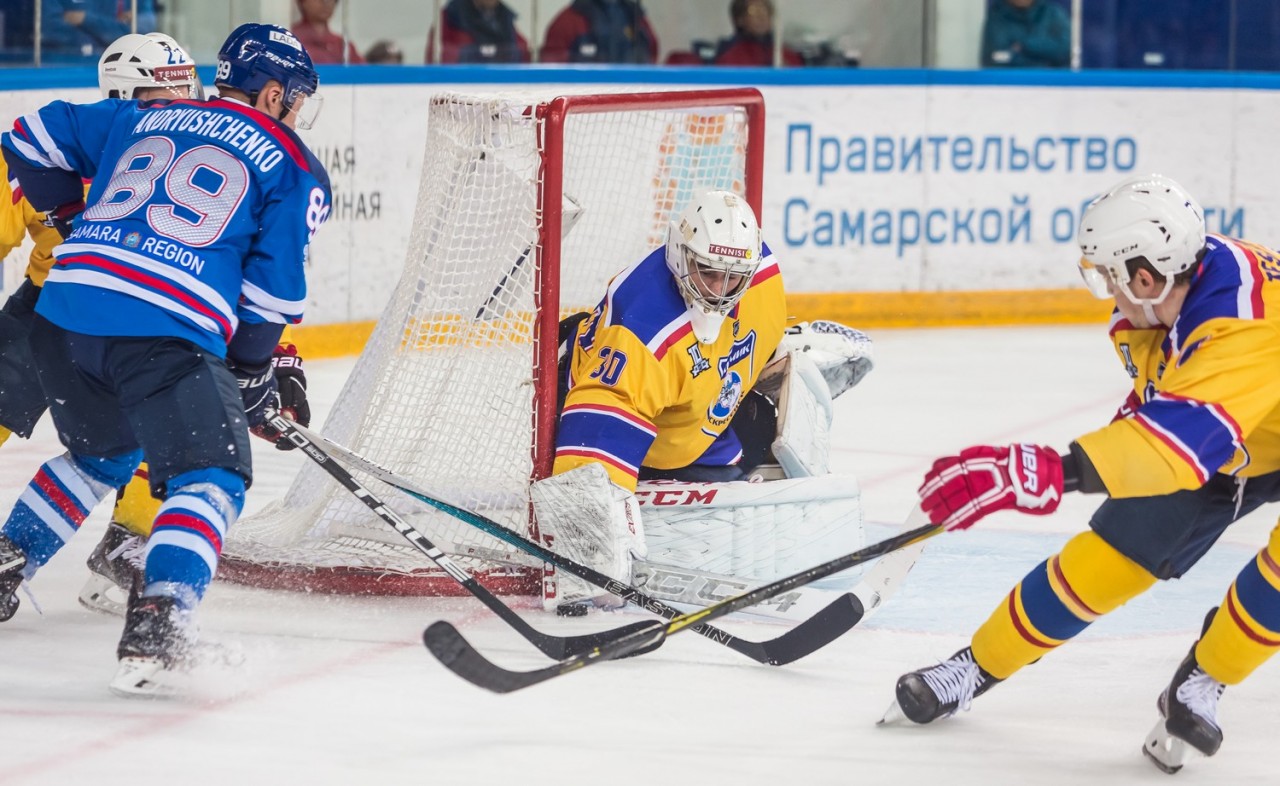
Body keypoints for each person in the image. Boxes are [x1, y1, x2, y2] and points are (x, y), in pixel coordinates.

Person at [884, 174, 1280, 773]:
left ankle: (1205, 677)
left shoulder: (1239, 323)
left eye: (1109, 277)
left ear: (1145, 277)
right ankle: (976, 666)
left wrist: (1049, 471)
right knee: (1108, 562)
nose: (1106, 291)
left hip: (1226, 430)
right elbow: (1174, 403)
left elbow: (1181, 439)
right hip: (1237, 434)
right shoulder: (1187, 277)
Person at [0, 22, 330, 696]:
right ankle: (160, 616)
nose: (298, 115)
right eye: (296, 100)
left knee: (103, 456)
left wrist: (75, 215)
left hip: (61, 316)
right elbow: (268, 296)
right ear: (273, 96)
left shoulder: (144, 115)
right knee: (214, 475)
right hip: (160, 331)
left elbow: (25, 138)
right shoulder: (293, 163)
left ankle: (9, 557)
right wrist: (250, 372)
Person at [540, 0, 658, 64]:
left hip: (634, 99)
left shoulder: (636, 18)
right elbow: (552, 72)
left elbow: (652, 54)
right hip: (583, 101)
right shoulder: (569, 21)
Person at [39, 0, 157, 62]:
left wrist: (85, 20)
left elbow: (139, 30)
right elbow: (48, 29)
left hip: (112, 62)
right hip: (60, 62)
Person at [426, 0, 529, 64]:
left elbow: (524, 51)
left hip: (501, 85)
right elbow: (435, 55)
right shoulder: (450, 16)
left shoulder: (505, 18)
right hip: (461, 86)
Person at [712, 0, 803, 68]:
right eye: (754, 11)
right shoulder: (730, 57)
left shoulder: (786, 54)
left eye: (765, 11)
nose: (761, 17)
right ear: (740, 19)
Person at [980, 0, 1070, 68]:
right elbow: (996, 58)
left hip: (1051, 84)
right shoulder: (996, 16)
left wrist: (1025, 45)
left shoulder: (1053, 14)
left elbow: (1064, 50)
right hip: (1009, 85)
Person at [292, 0, 363, 64]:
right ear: (302, 2)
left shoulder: (342, 45)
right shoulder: (291, 39)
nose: (326, 2)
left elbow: (365, 75)